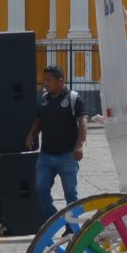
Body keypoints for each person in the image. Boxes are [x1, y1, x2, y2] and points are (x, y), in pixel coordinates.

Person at [25, 64, 87, 215]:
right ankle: (52, 221)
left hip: (67, 156)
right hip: (46, 156)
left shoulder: (73, 98)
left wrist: (79, 146)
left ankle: (72, 229)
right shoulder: (44, 100)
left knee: (71, 195)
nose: (45, 83)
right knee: (41, 188)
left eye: (49, 80)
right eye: (44, 80)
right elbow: (39, 121)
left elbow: (83, 122)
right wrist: (31, 134)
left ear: (61, 81)